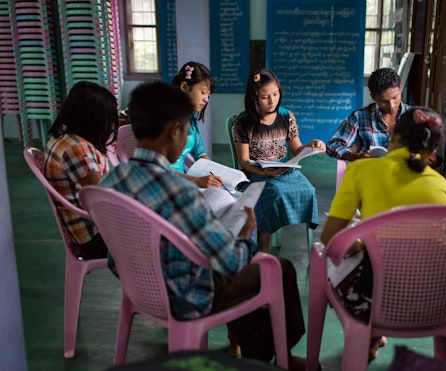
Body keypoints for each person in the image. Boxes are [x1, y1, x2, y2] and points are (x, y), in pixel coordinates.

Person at [99, 81, 308, 370]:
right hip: (187, 295)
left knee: (248, 269)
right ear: (175, 132)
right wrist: (244, 234)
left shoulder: (112, 181)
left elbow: (113, 258)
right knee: (275, 267)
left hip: (139, 288)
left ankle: (248, 349)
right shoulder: (180, 192)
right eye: (186, 131)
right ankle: (275, 358)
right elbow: (230, 261)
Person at [321, 107, 446, 361]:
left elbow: (331, 239)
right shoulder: (444, 189)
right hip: (429, 302)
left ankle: (370, 335)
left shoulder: (362, 170)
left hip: (371, 301)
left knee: (361, 263)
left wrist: (357, 246)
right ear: (433, 151)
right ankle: (373, 340)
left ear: (392, 138)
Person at [231, 68, 325, 252]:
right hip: (255, 173)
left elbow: (297, 149)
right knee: (273, 193)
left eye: (275, 94)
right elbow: (243, 160)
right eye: (265, 96)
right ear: (254, 97)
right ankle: (263, 243)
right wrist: (262, 172)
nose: (272, 101)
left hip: (283, 170)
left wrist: (311, 145)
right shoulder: (243, 121)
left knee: (308, 190)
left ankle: (304, 243)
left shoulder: (286, 116)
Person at [43, 81, 118, 260]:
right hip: (96, 238)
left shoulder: (61, 137)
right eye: (108, 119)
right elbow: (105, 198)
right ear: (93, 119)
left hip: (90, 232)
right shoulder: (77, 149)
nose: (111, 126)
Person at [326, 67, 410, 161]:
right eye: (384, 101)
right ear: (373, 97)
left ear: (400, 88)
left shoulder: (415, 117)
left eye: (395, 97)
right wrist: (355, 156)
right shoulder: (360, 117)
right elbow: (333, 145)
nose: (391, 105)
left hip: (404, 174)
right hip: (369, 172)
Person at [170, 61, 223, 188]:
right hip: (166, 184)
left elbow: (200, 153)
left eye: (209, 95)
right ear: (184, 87)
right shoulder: (165, 119)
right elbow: (157, 169)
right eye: (203, 92)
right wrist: (195, 181)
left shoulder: (190, 119)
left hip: (182, 181)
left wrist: (217, 173)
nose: (206, 99)